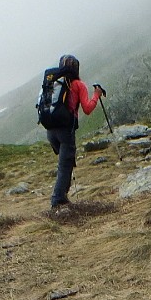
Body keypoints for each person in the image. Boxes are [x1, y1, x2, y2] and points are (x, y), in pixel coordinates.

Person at [47, 54, 104, 212]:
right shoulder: (78, 85)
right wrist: (96, 96)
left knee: (65, 164)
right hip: (65, 130)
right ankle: (57, 202)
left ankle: (63, 198)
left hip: (50, 130)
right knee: (65, 166)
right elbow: (87, 109)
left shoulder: (53, 82)